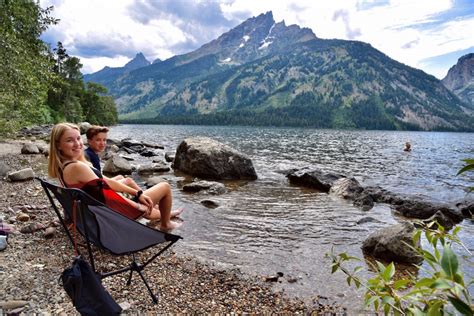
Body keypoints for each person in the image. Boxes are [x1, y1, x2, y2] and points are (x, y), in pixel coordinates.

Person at [48, 123, 182, 231]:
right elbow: (107, 185)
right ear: (58, 145)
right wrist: (138, 200)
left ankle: (168, 214)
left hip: (97, 213)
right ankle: (166, 224)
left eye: (78, 138)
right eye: (69, 140)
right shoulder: (76, 167)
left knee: (143, 199)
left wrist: (137, 194)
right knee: (165, 187)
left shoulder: (64, 166)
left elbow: (104, 183)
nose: (77, 143)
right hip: (111, 216)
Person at [85, 125, 140, 190]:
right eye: (98, 140)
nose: (102, 143)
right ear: (89, 141)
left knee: (120, 177)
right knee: (128, 180)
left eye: (104, 140)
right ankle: (144, 196)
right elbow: (98, 181)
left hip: (96, 185)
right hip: (97, 190)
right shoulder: (91, 156)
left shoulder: (89, 152)